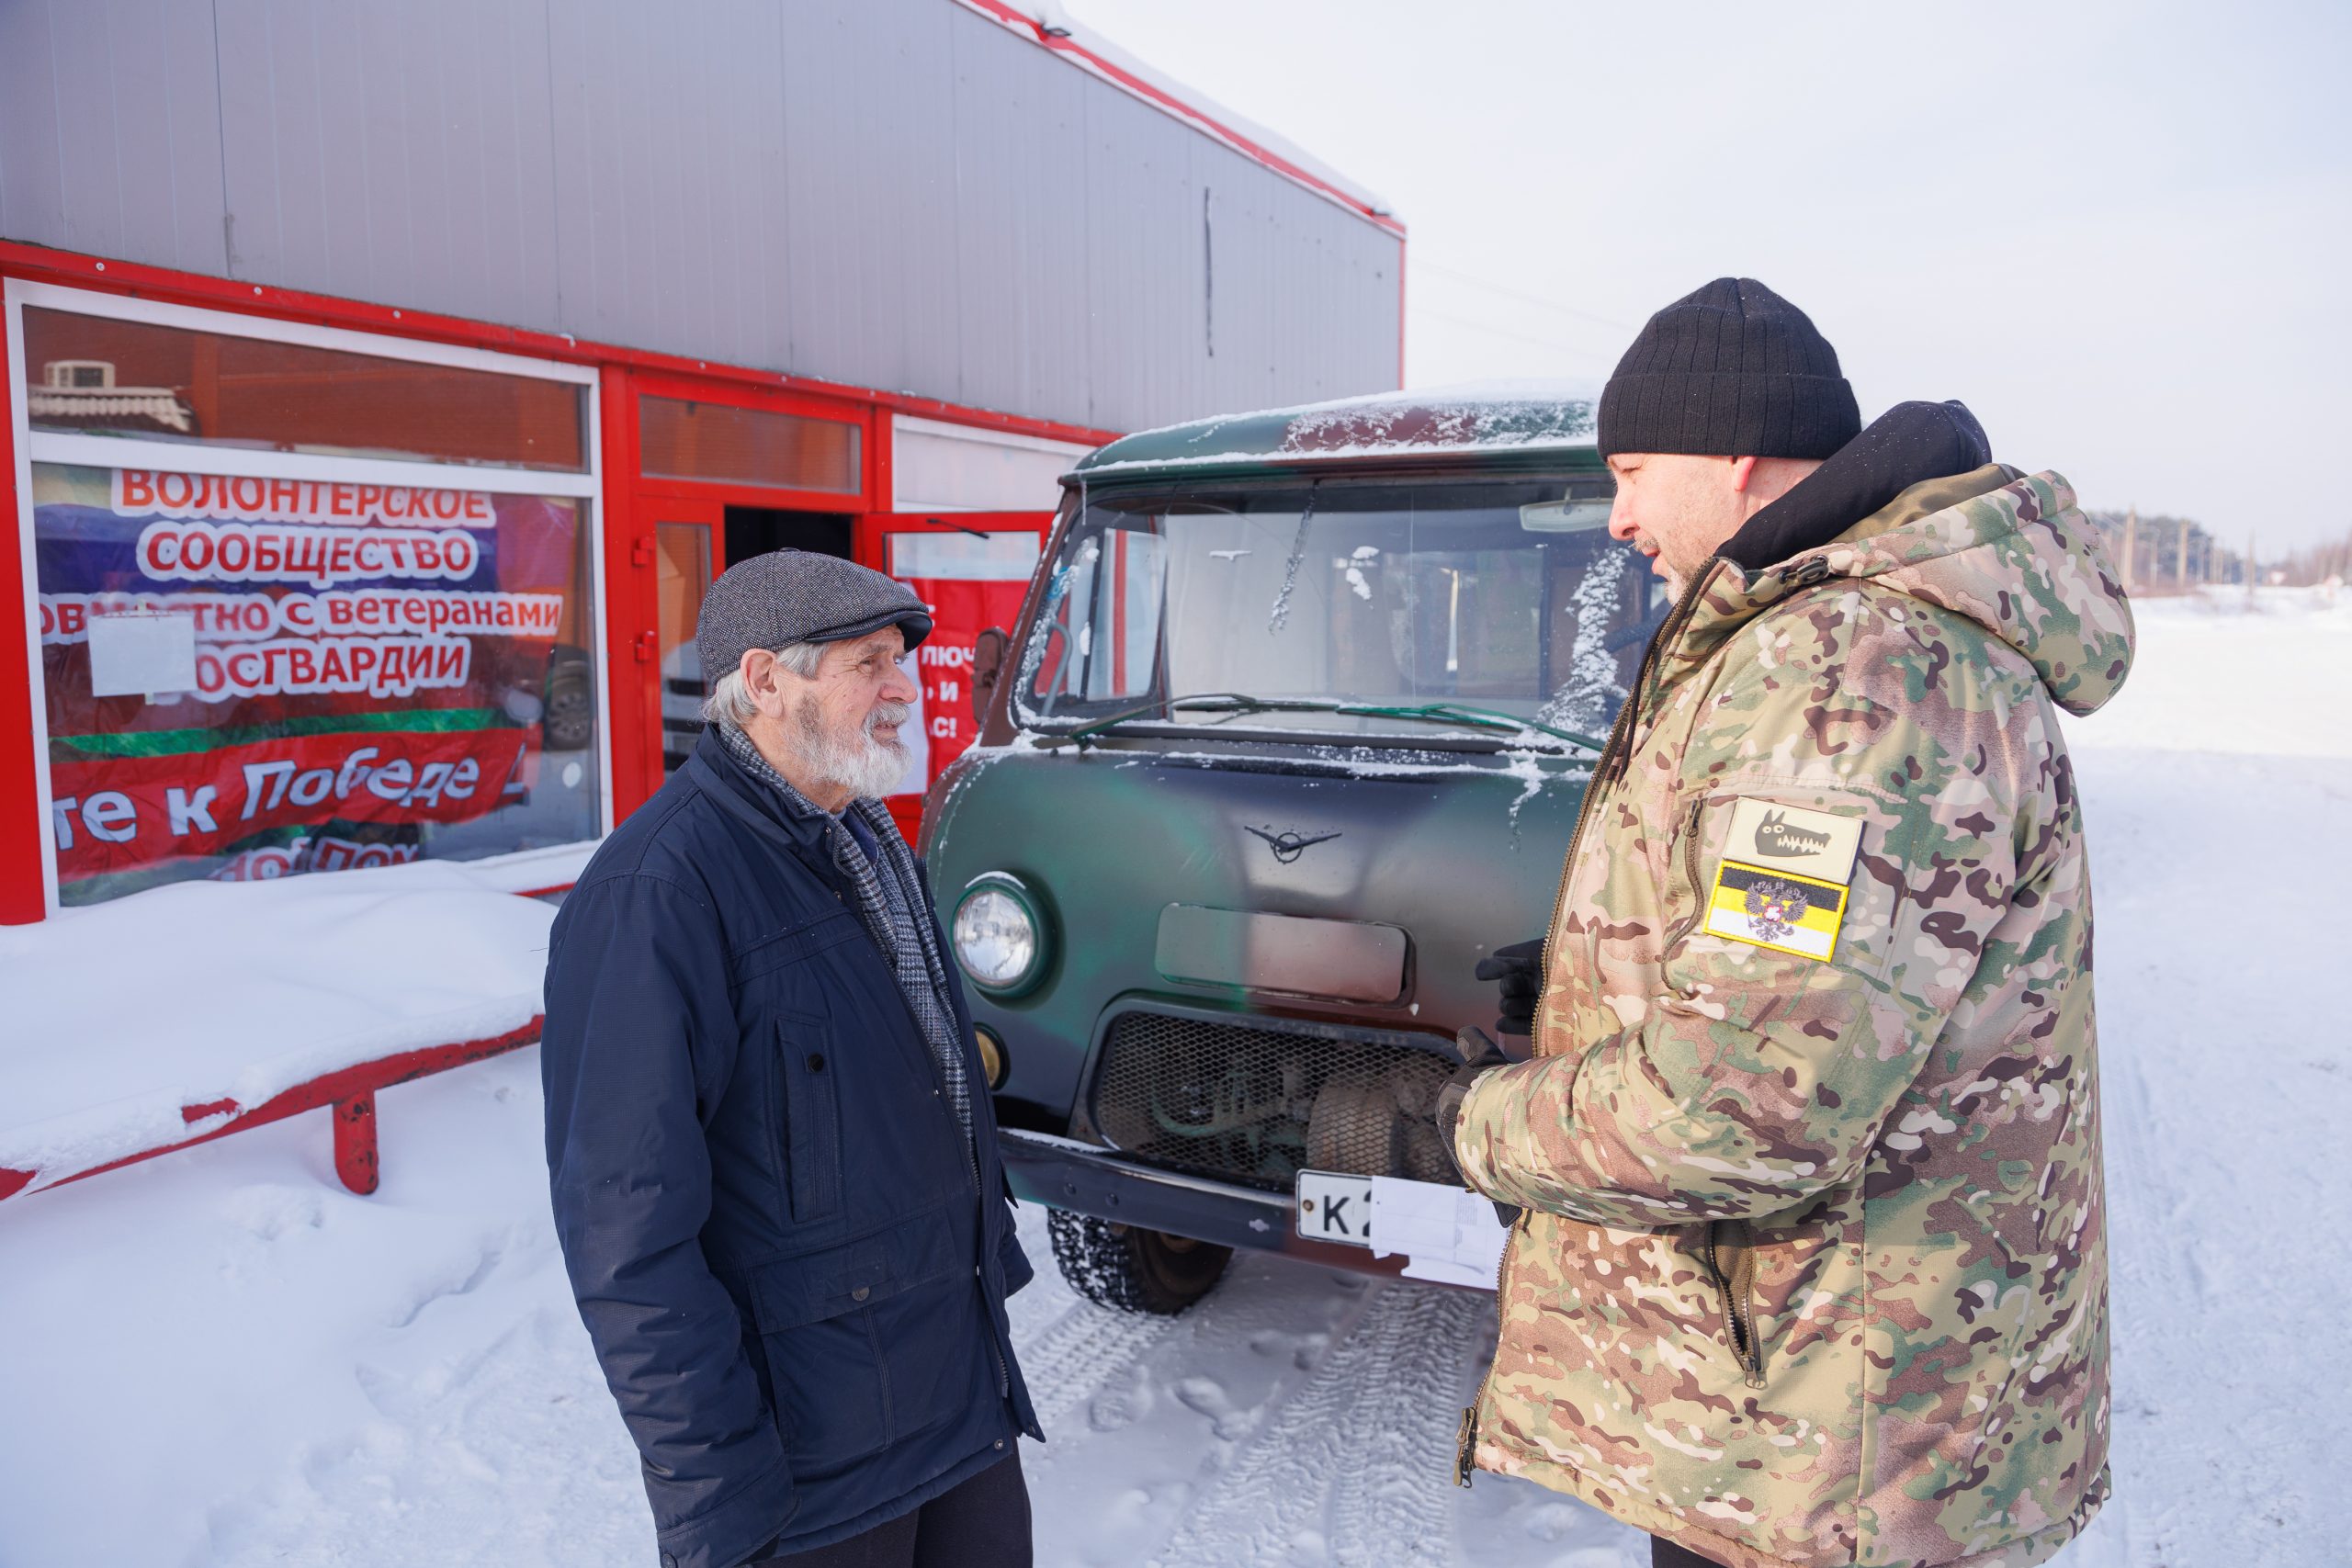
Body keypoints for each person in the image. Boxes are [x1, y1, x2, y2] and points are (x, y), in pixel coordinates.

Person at [1440, 278, 2129, 1568]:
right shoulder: (1826, 633)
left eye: (1635, 469)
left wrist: (1482, 1123)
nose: (1619, 513)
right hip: (1819, 1414)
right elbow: (1802, 954)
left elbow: (1753, 1100)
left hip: (1842, 1441)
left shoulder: (1849, 670)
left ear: (1735, 451)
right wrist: (1611, 977)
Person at [542, 550, 1039, 1568]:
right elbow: (625, 1237)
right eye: (869, 661)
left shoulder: (863, 840)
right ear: (764, 680)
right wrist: (716, 1485)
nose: (904, 684)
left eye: (900, 658)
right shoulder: (658, 891)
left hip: (952, 1398)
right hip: (807, 1470)